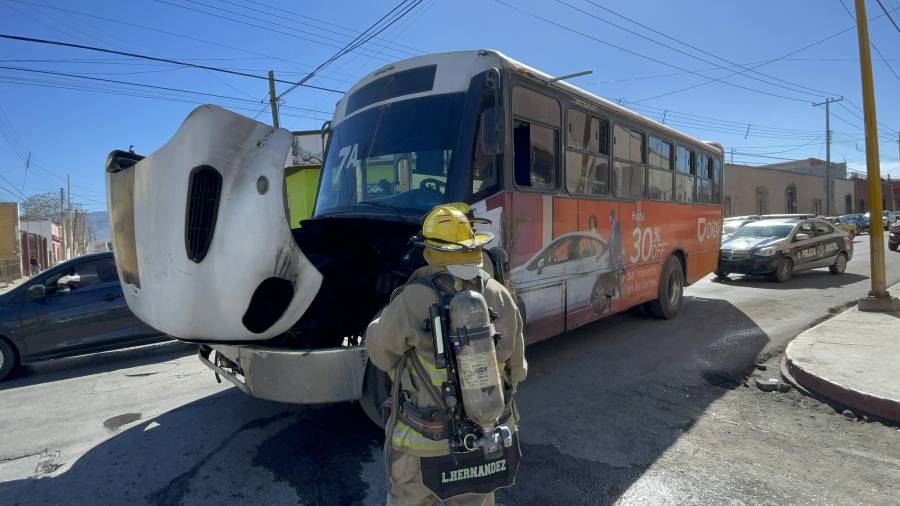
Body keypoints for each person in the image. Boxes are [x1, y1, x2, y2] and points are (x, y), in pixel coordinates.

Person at [367, 204, 527, 506]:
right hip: (484, 437)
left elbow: (379, 352)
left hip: (423, 443)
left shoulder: (415, 297)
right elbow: (517, 370)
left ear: (430, 250)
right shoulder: (499, 294)